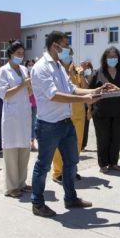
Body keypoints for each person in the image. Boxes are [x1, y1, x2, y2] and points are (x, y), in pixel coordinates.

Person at [30, 30, 106, 218]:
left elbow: (71, 88)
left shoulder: (58, 66)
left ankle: (71, 198)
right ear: (55, 45)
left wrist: (94, 91)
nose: (68, 49)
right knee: (43, 166)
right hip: (49, 125)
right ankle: (37, 203)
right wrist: (84, 100)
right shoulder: (41, 67)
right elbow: (53, 95)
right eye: (65, 44)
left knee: (71, 162)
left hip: (65, 123)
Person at [0, 41, 32, 198]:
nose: (20, 56)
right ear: (10, 54)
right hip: (11, 116)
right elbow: (4, 94)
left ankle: (21, 182)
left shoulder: (24, 69)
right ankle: (11, 186)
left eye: (22, 53)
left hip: (24, 113)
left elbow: (28, 92)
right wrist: (23, 85)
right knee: (11, 151)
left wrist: (29, 86)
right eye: (18, 53)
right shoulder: (3, 71)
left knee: (24, 149)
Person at [89, 47, 120, 173]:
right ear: (105, 59)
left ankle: (113, 163)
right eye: (110, 57)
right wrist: (89, 110)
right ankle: (103, 164)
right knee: (103, 138)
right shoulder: (97, 73)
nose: (112, 59)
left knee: (117, 138)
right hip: (101, 113)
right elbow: (90, 92)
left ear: (118, 59)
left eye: (115, 57)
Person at [51, 48, 87, 182]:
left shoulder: (76, 70)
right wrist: (67, 72)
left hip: (78, 113)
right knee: (61, 145)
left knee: (76, 144)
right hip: (64, 113)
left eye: (71, 54)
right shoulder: (57, 70)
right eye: (66, 54)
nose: (69, 57)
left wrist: (81, 75)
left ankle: (72, 170)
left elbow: (85, 88)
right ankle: (58, 172)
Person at [80, 60, 94, 151]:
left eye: (87, 67)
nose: (86, 69)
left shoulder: (91, 76)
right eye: (84, 67)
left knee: (86, 125)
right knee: (81, 125)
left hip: (88, 103)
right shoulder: (82, 75)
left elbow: (87, 87)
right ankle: (81, 143)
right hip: (81, 104)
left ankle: (83, 144)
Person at [25, 59, 38, 151]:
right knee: (25, 123)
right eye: (29, 65)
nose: (30, 66)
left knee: (33, 123)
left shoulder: (37, 76)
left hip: (35, 103)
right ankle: (25, 142)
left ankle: (32, 142)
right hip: (25, 103)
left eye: (32, 65)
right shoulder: (24, 76)